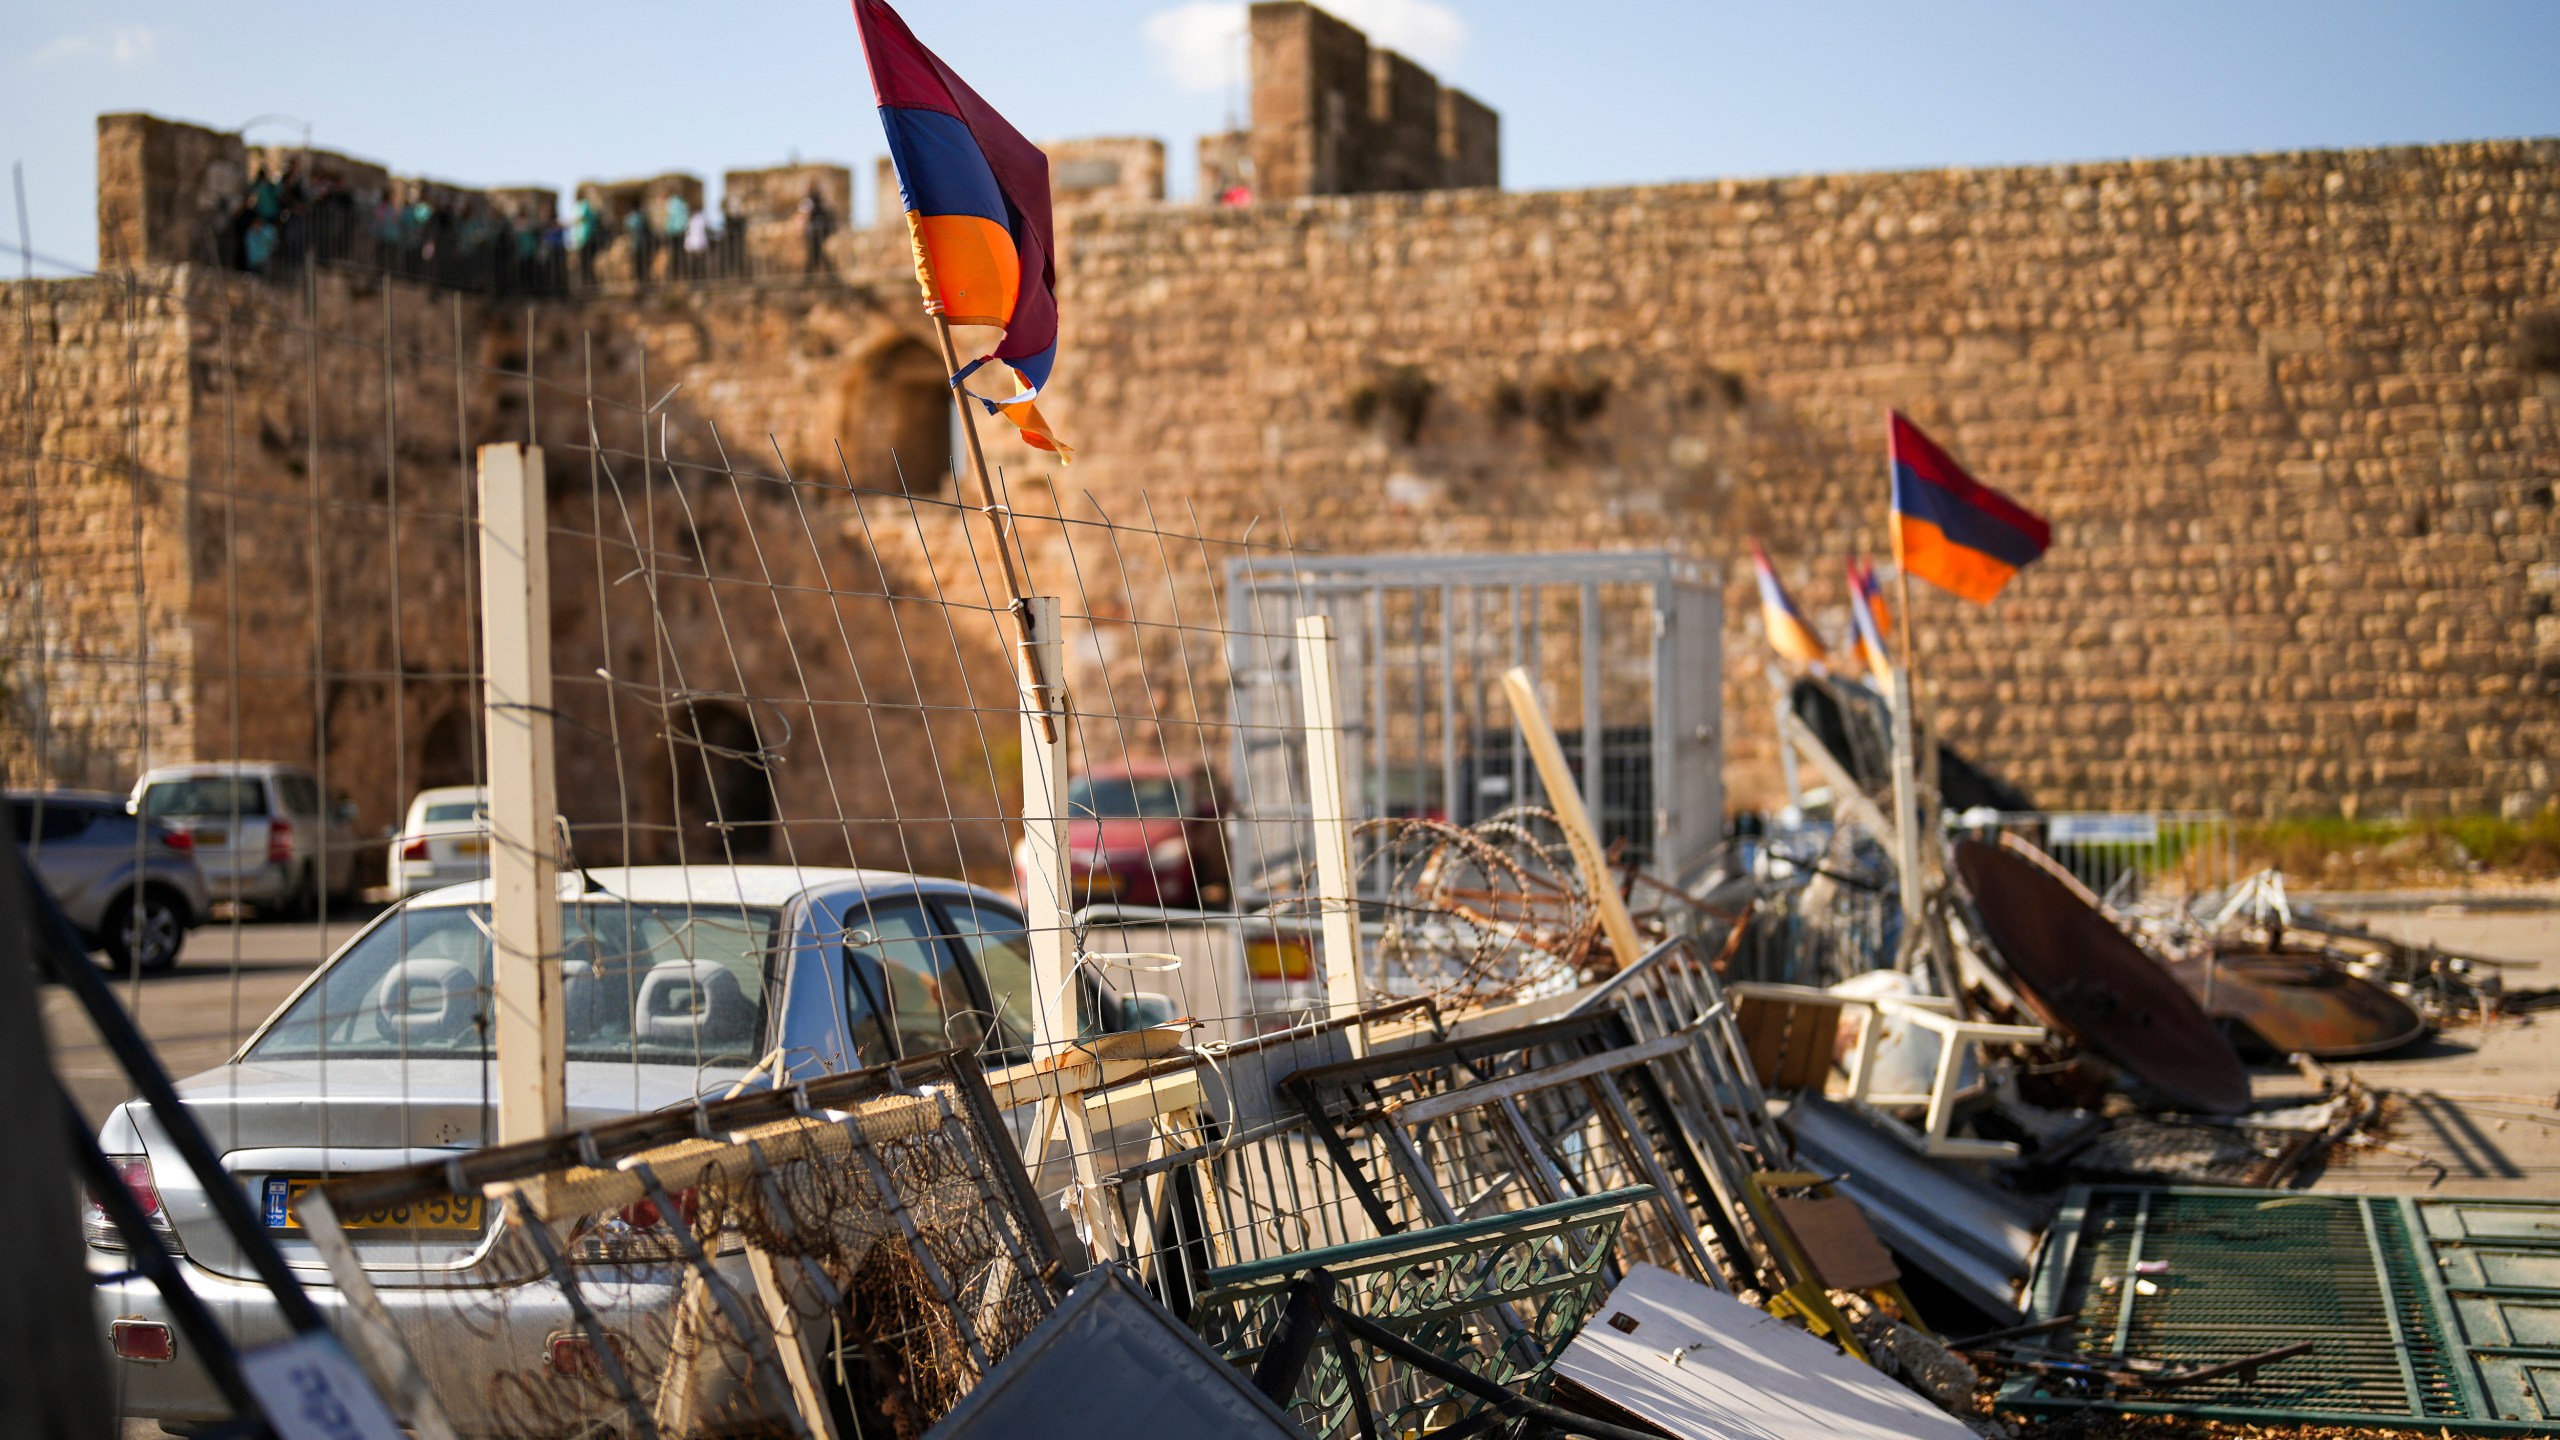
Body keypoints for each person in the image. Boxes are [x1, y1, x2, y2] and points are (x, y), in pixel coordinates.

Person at [798, 183, 833, 275]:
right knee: (817, 255)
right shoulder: (816, 201)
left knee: (816, 254)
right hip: (815, 233)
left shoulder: (811, 201)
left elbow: (804, 212)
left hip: (815, 233)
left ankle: (810, 278)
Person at [570, 195, 601, 287]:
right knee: (584, 263)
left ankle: (590, 284)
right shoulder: (581, 206)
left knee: (587, 263)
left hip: (586, 239)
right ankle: (587, 283)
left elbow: (581, 217)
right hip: (581, 240)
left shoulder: (584, 205)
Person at [683, 205, 710, 281]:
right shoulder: (699, 218)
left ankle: (697, 282)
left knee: (696, 266)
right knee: (697, 266)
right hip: (697, 245)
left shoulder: (693, 218)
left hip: (694, 245)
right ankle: (697, 282)